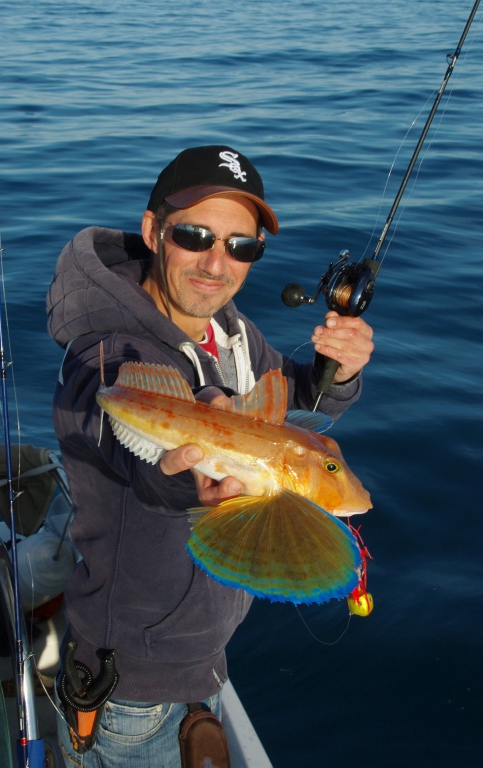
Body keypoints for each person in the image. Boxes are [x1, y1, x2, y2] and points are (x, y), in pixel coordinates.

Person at [46, 145, 374, 767]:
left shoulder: (232, 333)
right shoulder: (103, 345)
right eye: (196, 236)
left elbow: (295, 405)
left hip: (203, 659)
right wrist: (181, 470)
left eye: (241, 246)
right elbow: (102, 424)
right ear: (153, 232)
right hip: (130, 690)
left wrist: (340, 370)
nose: (217, 264)